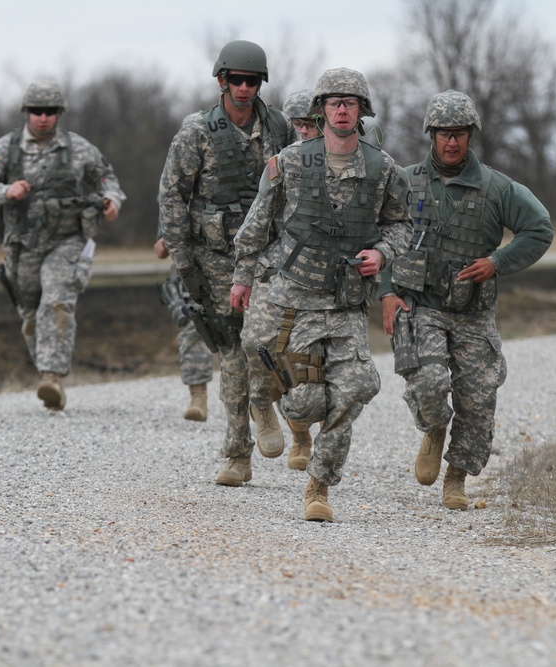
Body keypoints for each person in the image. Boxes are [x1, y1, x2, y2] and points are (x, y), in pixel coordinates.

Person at [231, 68, 412, 521]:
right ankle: (275, 412)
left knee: (357, 387)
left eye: (351, 102)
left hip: (346, 300)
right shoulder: (290, 162)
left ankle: (319, 487)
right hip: (292, 295)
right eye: (334, 102)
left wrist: (382, 253)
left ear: (362, 110)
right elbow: (257, 224)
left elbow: (403, 225)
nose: (342, 109)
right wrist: (242, 278)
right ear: (321, 110)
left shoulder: (382, 168)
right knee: (303, 398)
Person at [379, 90, 553, 510]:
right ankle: (434, 428)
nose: (451, 142)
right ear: (431, 135)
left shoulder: (497, 188)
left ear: (470, 135)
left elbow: (539, 228)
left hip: (473, 312)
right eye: (443, 134)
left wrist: (497, 261)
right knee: (432, 384)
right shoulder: (405, 182)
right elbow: (379, 236)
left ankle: (456, 478)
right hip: (421, 307)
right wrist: (386, 291)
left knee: (478, 398)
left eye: (459, 134)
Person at [158, 39, 294, 486]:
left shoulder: (278, 128)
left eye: (252, 81)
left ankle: (264, 403)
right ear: (221, 80)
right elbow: (173, 196)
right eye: (236, 79)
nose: (244, 88)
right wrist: (183, 261)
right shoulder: (197, 131)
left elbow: (298, 185)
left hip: (268, 255)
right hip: (215, 257)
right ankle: (238, 454)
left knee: (269, 343)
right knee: (233, 352)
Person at [0, 81, 125, 411]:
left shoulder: (79, 148)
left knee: (56, 301)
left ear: (59, 114)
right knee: (30, 314)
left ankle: (51, 377)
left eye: (50, 112)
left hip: (67, 240)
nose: (43, 118)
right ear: (27, 113)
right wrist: (5, 191)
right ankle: (46, 371)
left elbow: (106, 177)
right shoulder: (6, 148)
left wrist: (111, 200)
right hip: (23, 244)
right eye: (37, 111)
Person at [154, 234, 214, 421]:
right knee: (194, 324)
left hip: (238, 259)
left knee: (247, 329)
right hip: (194, 260)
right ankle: (198, 397)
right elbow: (161, 248)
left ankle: (256, 401)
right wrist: (163, 235)